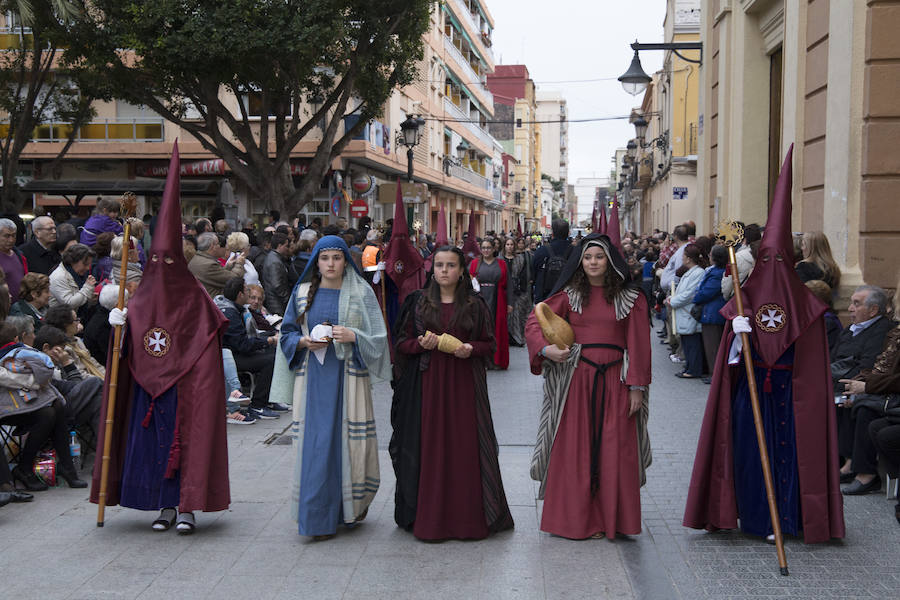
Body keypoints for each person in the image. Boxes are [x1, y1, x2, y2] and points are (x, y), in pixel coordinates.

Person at [684, 146, 845, 544]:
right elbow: (731, 362)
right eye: (766, 259)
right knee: (752, 457)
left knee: (792, 456)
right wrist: (736, 336)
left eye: (779, 259)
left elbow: (811, 355)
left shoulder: (807, 306)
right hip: (753, 391)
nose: (772, 267)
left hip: (793, 394)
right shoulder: (744, 299)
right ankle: (758, 519)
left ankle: (791, 519)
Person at [90, 145, 230, 534]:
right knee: (154, 447)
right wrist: (118, 324)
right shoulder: (139, 298)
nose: (162, 268)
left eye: (170, 261)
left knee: (184, 442)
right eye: (157, 261)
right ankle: (163, 506)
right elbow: (128, 344)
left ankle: (187, 506)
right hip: (147, 390)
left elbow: (209, 336)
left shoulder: (196, 298)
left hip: (185, 388)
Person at [525, 234, 652, 539]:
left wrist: (636, 386)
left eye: (599, 256)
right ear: (579, 262)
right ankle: (576, 521)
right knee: (575, 449)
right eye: (587, 257)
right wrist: (546, 350)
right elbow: (535, 320)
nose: (593, 262)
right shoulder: (569, 295)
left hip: (616, 382)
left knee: (615, 449)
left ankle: (612, 520)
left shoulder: (631, 298)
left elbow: (640, 344)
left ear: (609, 260)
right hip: (577, 381)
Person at [391, 245, 514, 540]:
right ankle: (432, 520)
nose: (444, 270)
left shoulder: (474, 304)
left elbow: (490, 344)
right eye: (439, 265)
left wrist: (470, 349)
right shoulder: (417, 303)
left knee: (465, 447)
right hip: (428, 387)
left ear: (462, 271)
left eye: (450, 266)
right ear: (432, 270)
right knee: (431, 448)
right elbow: (401, 344)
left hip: (465, 385)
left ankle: (467, 521)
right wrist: (420, 344)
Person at [277, 235, 390, 540]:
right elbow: (286, 333)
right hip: (313, 381)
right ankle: (316, 518)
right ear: (316, 261)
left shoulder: (361, 292)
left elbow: (378, 338)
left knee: (347, 445)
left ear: (345, 261)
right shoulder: (301, 294)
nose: (330, 264)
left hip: (349, 380)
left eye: (336, 258)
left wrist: (354, 336)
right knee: (317, 446)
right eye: (324, 258)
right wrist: (302, 341)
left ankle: (348, 508)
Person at [0, 320, 87, 491]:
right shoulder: (11, 352)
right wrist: (34, 381)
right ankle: (26, 468)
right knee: (49, 411)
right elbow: (5, 377)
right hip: (7, 406)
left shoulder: (20, 349)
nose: (34, 336)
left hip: (24, 401)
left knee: (55, 406)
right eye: (31, 332)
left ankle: (65, 467)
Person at [831, 285, 896, 490]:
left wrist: (861, 385)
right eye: (850, 302)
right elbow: (835, 357)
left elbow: (871, 364)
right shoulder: (851, 329)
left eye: (856, 304)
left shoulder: (882, 330)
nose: (850, 308)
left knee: (856, 403)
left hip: (882, 390)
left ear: (873, 310)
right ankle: (840, 461)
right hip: (863, 381)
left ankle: (862, 470)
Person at [214, 277, 284, 420]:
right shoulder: (229, 313)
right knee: (271, 360)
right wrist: (269, 340)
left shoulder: (235, 308)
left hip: (235, 351)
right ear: (240, 295)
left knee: (273, 351)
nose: (249, 293)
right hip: (230, 357)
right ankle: (258, 405)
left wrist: (268, 338)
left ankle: (270, 398)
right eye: (247, 290)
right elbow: (243, 345)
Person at [666, 244, 707, 379]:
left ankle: (693, 369)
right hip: (684, 312)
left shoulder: (698, 273)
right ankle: (689, 366)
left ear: (689, 258)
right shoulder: (690, 273)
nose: (682, 258)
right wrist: (672, 298)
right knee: (687, 342)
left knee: (692, 342)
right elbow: (681, 292)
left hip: (688, 312)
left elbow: (689, 294)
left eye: (683, 256)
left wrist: (673, 301)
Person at [469, 238, 509, 369]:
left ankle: (496, 360)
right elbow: (468, 283)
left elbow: (509, 285)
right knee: (481, 329)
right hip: (479, 299)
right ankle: (482, 359)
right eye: (483, 248)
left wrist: (510, 303)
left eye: (488, 248)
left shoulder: (502, 264)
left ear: (493, 249)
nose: (486, 250)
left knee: (497, 329)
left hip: (498, 300)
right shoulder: (474, 263)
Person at [693, 245, 728, 384]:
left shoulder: (717, 273)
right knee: (712, 345)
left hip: (713, 313)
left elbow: (707, 292)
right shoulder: (717, 271)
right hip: (713, 312)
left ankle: (715, 375)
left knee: (713, 346)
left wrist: (696, 297)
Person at [187, 231, 245, 297]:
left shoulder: (196, 259)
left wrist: (228, 266)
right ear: (212, 246)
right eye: (218, 244)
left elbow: (215, 278)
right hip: (216, 304)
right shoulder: (209, 265)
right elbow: (235, 280)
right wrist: (239, 264)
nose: (220, 246)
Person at [531, 219, 572, 303]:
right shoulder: (575, 251)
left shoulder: (541, 251)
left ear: (552, 233)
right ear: (568, 233)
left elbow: (533, 273)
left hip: (545, 298)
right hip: (569, 298)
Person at [48, 243, 97, 311]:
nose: (88, 268)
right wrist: (87, 287)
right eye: (85, 264)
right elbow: (69, 304)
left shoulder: (79, 274)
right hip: (61, 319)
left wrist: (90, 299)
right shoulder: (58, 277)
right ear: (73, 261)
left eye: (89, 264)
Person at [504, 237, 532, 347]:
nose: (510, 247)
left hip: (518, 290)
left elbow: (525, 275)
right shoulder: (500, 259)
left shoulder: (520, 259)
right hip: (504, 290)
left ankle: (517, 338)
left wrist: (523, 290)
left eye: (511, 244)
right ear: (504, 246)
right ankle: (506, 337)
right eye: (507, 244)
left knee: (517, 315)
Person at [261, 232, 295, 316]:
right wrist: (288, 300)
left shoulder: (274, 258)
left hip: (276, 302)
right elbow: (277, 285)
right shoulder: (275, 262)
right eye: (286, 246)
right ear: (279, 246)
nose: (288, 249)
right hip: (277, 305)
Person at [0, 218, 27, 299]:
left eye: (13, 235)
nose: (11, 240)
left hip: (19, 306)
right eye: (7, 236)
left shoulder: (19, 254)